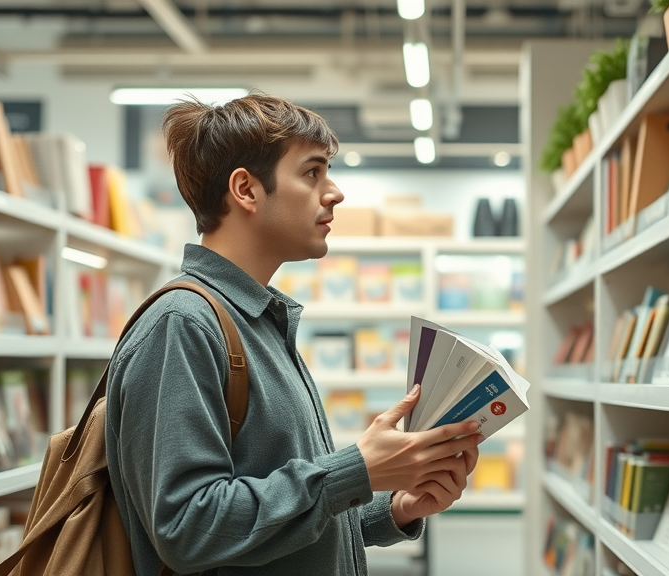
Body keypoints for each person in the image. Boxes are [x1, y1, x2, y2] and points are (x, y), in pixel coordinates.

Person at [104, 94, 482, 576]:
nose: (334, 192)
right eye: (312, 173)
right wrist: (354, 469)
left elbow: (275, 533)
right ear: (246, 189)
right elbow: (188, 528)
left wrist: (394, 506)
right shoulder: (184, 325)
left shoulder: (258, 322)